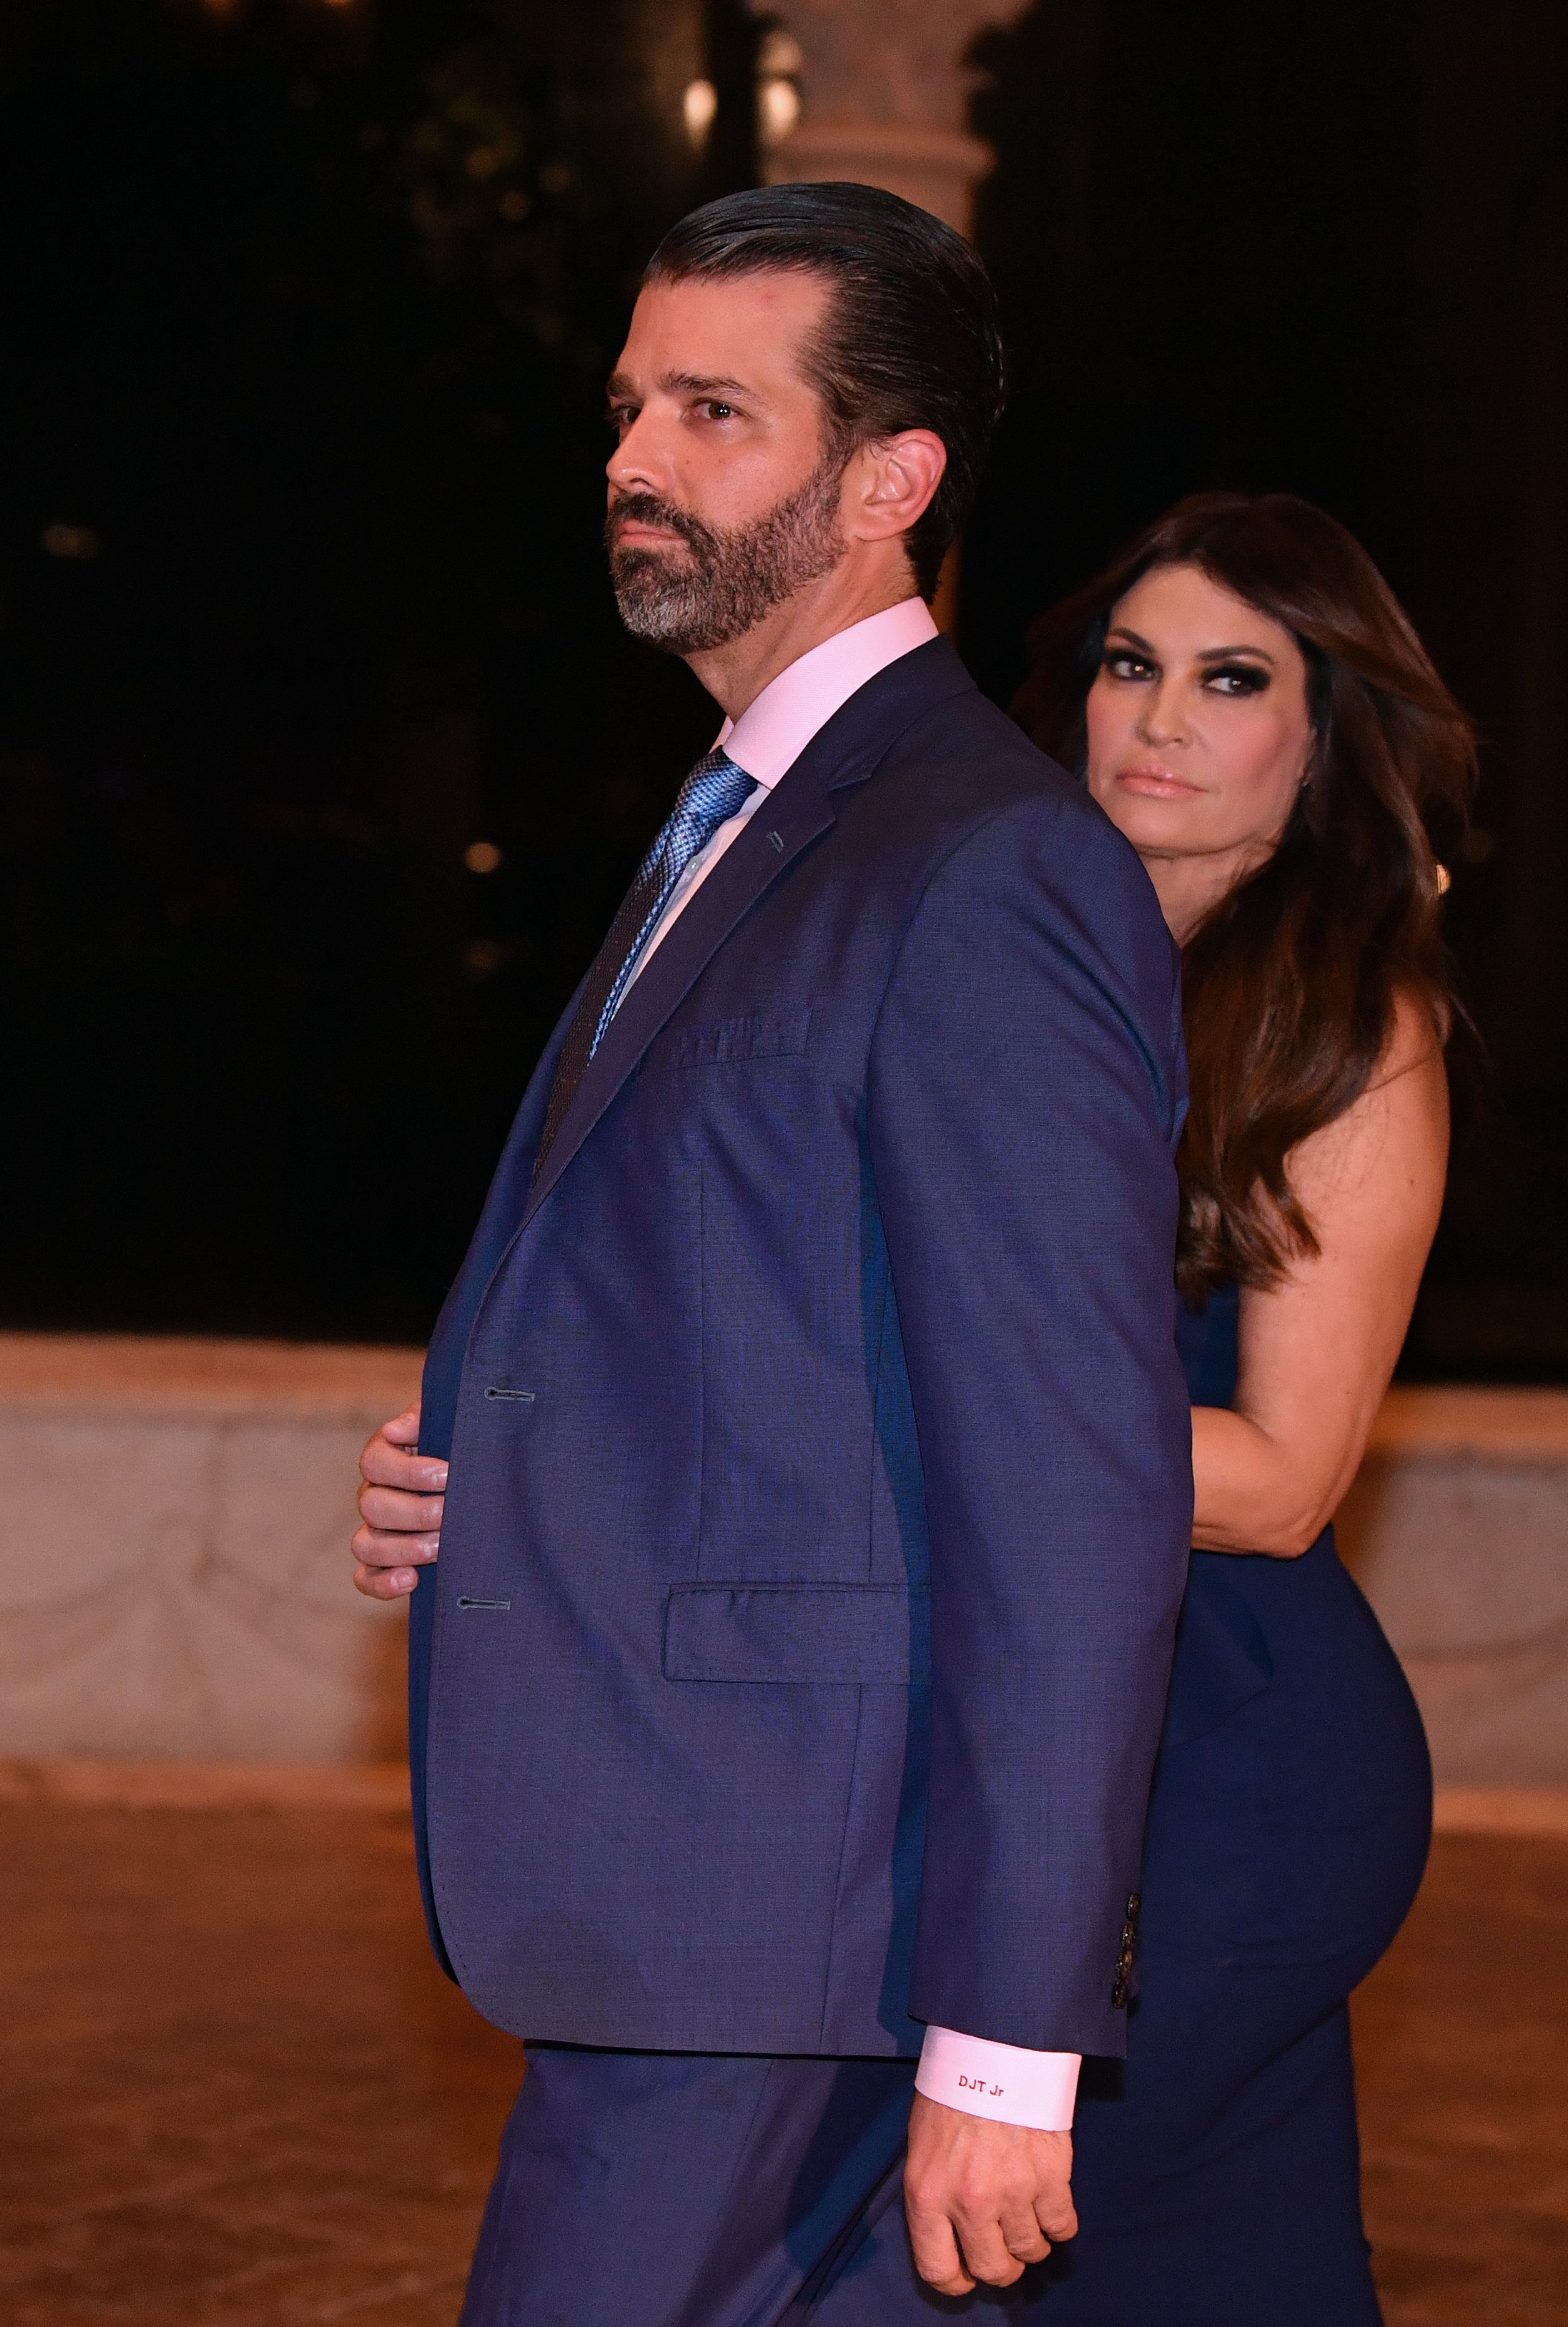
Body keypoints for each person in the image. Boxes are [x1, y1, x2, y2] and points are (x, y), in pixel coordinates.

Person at [363, 490, 1461, 2319]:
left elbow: (1283, 1482)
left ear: (1327, 742)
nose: (1162, 718)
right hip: (980, 1715)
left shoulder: (1355, 1033)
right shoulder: (989, 913)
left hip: (1223, 1760)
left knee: (1088, 2261)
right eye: (1129, 664)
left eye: (1233, 678)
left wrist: (892, 1437)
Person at [359, 182, 1196, 2324]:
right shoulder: (747, 810)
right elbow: (758, 1325)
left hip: (791, 1915)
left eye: (716, 413)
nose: (636, 461)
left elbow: (1074, 1491)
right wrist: (484, 1459)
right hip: (695, 1887)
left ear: (888, 479)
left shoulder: (987, 866)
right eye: (632, 406)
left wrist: (1009, 2046)